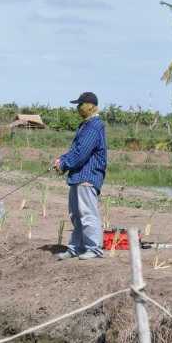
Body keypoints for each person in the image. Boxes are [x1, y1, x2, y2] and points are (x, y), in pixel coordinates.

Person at [53, 92, 107, 260]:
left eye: (81, 105)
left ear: (90, 106)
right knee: (76, 215)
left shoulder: (93, 126)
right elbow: (76, 150)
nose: (78, 108)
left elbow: (81, 153)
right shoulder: (85, 125)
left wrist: (64, 163)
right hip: (78, 176)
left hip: (88, 176)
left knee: (88, 213)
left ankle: (94, 248)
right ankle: (76, 247)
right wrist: (62, 158)